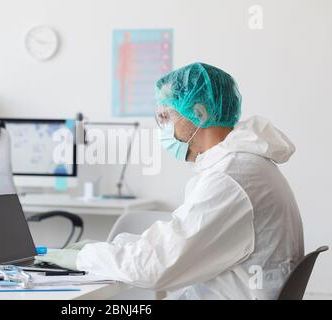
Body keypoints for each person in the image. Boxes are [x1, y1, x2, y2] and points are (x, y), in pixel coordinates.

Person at [35, 62, 304, 300]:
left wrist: (84, 258)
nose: (164, 127)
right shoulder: (244, 165)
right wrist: (107, 249)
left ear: (198, 113)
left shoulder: (230, 177)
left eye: (167, 116)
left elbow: (155, 266)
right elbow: (171, 243)